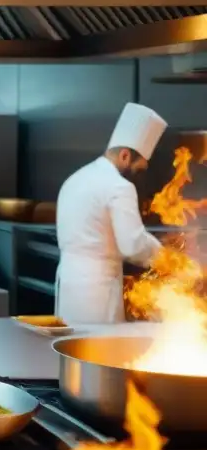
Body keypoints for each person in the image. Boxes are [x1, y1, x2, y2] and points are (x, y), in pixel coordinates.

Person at [55, 102, 167, 325]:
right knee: (96, 354)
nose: (139, 176)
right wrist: (167, 259)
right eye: (139, 169)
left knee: (69, 351)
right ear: (125, 155)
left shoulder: (75, 178)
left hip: (68, 282)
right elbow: (132, 245)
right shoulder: (119, 186)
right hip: (98, 290)